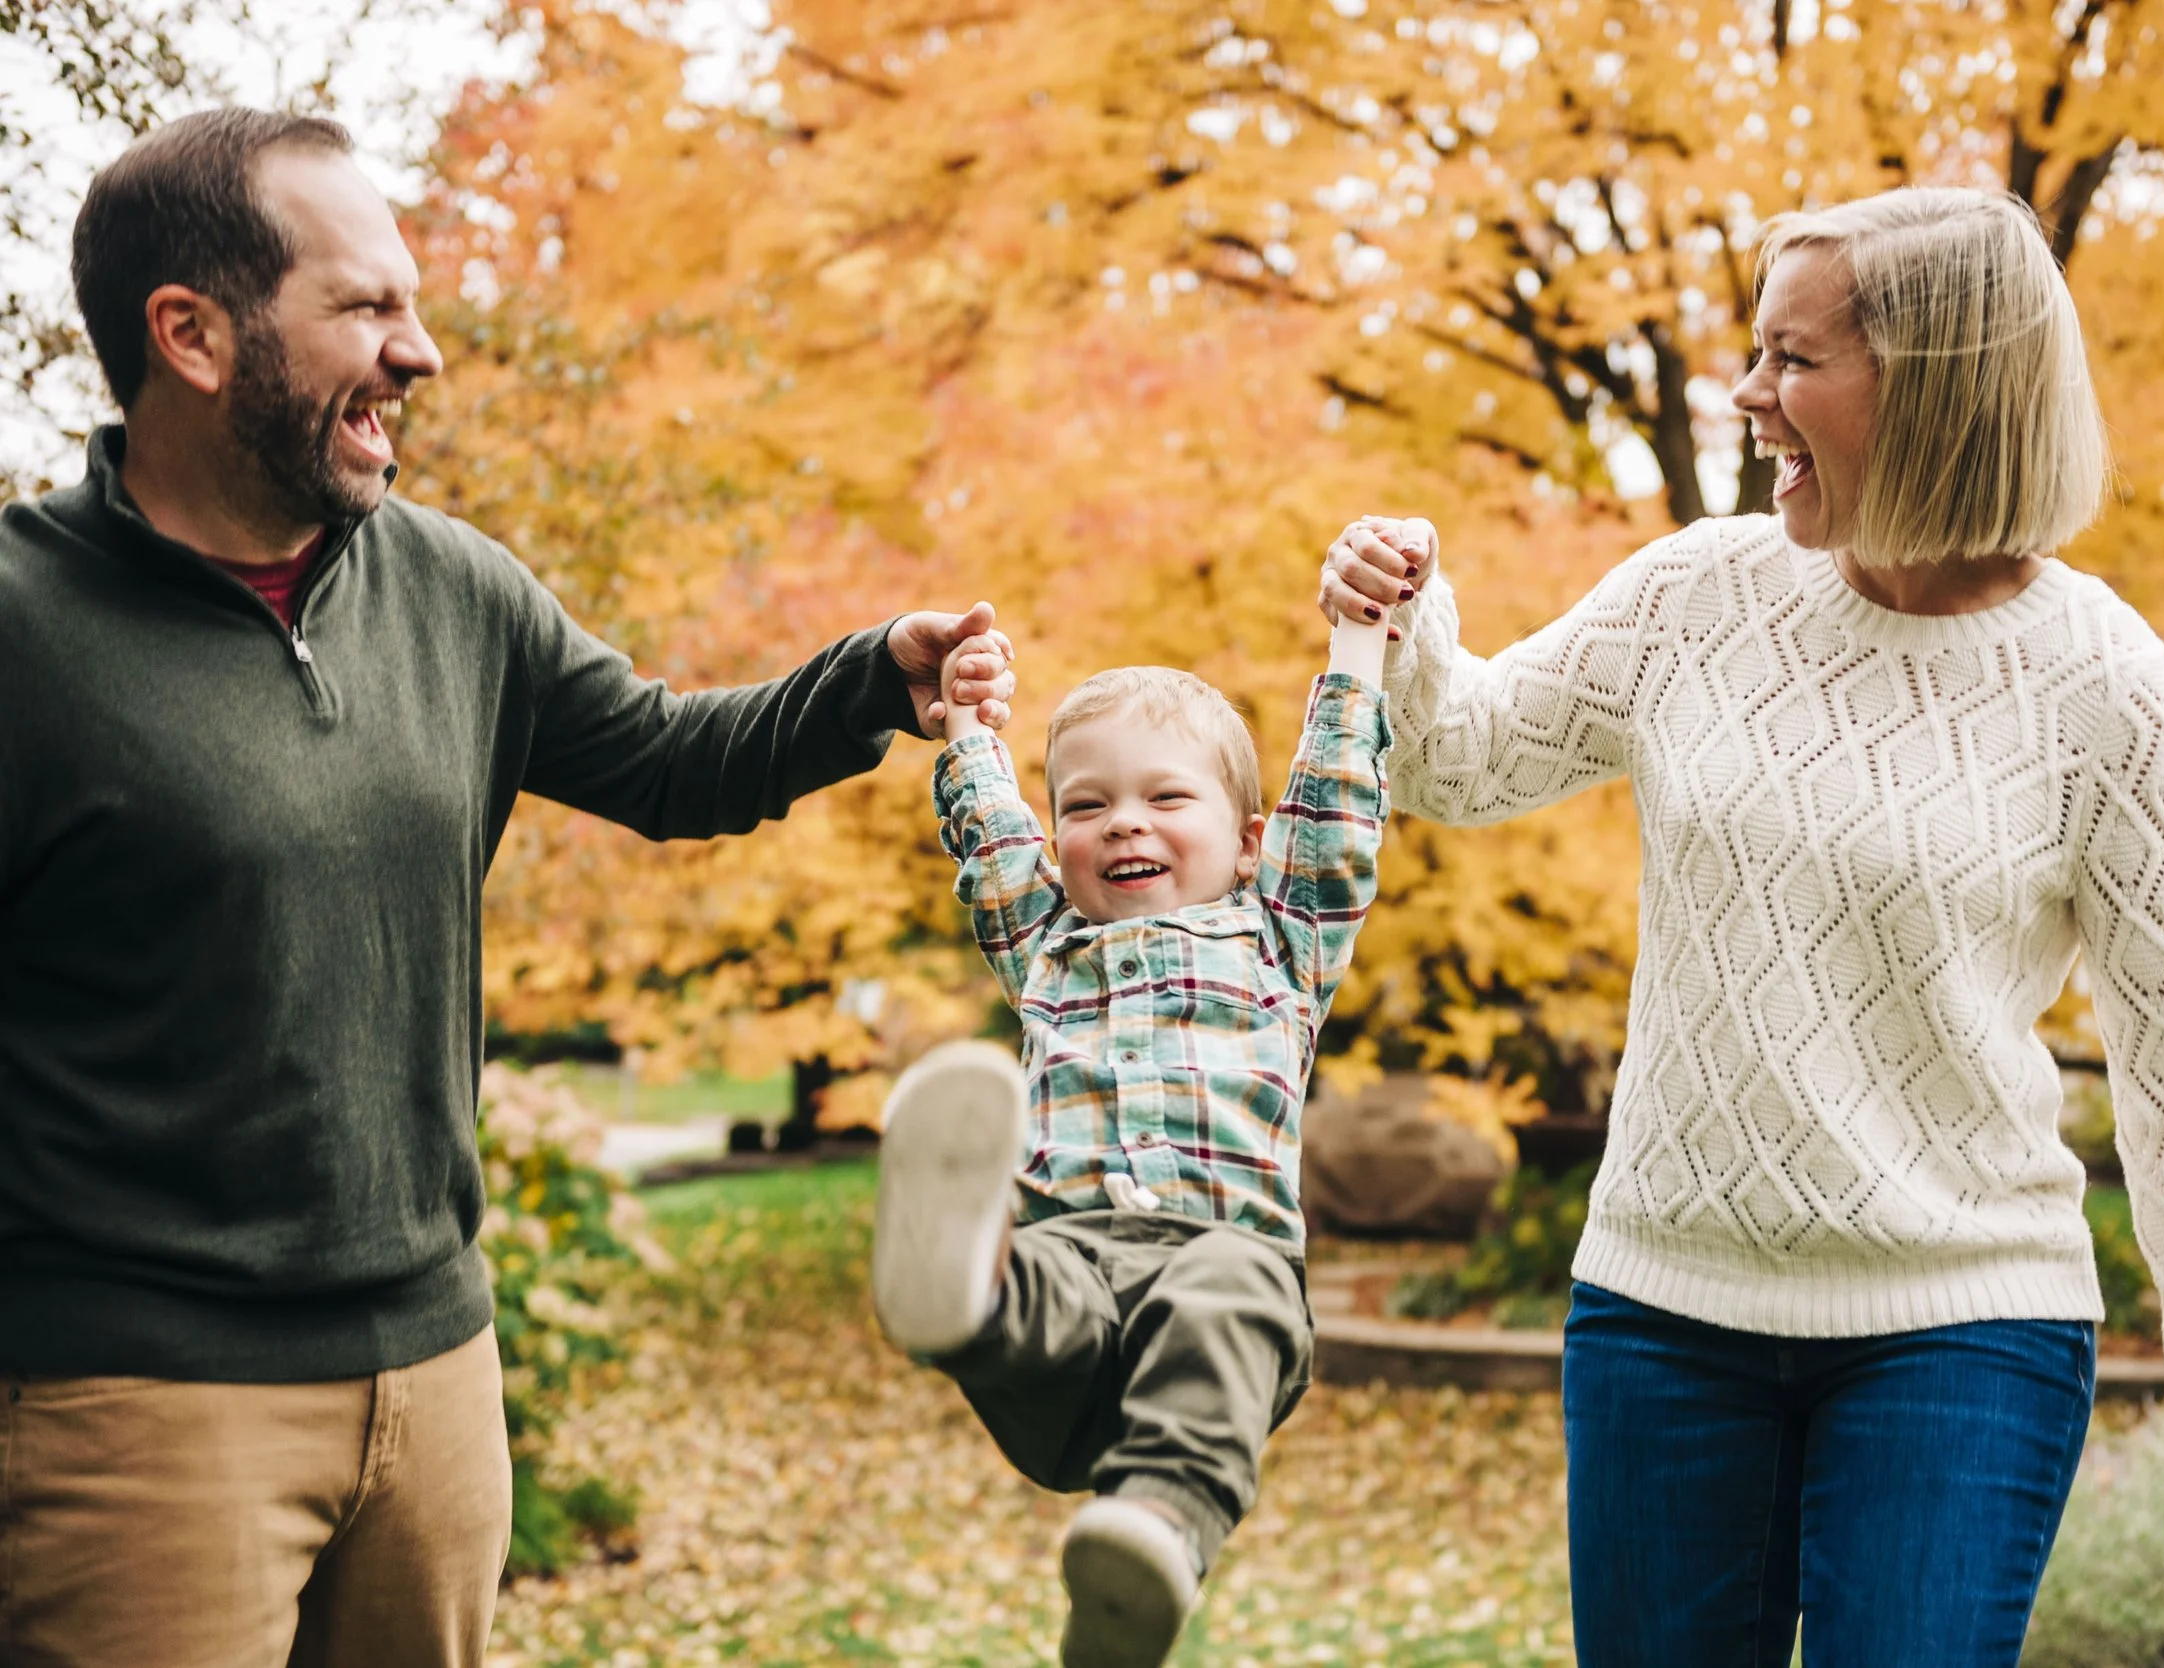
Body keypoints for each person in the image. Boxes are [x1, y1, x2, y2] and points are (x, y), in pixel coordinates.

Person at [0, 108, 1012, 1668]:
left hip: (436, 1378)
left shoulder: (449, 586)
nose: (421, 354)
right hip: (138, 1410)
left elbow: (672, 761)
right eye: (365, 308)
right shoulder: (26, 632)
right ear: (189, 336)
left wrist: (872, 678)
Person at [1319, 187, 2164, 1667]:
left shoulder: (2102, 684)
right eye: (1757, 354)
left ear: (1934, 389)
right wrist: (1402, 622)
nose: (1749, 394)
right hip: (1664, 1310)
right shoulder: (1702, 594)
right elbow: (1458, 760)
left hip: (1962, 1326)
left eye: (1794, 361)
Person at [868, 608, 1392, 1668]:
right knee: (1044, 1282)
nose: (1121, 824)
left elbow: (1333, 809)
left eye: (1164, 797)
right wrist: (969, 731)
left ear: (1250, 844)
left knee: (1232, 1292)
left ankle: (1150, 1532)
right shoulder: (1051, 949)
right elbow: (993, 844)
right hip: (1078, 1268)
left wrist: (1359, 646)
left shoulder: (1283, 945)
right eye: (1087, 806)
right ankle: (965, 1295)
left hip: (1218, 1280)